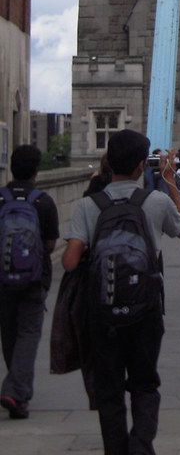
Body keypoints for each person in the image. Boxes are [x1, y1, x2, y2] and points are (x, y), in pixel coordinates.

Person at [61, 129, 180, 454]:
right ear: (139, 166)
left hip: (102, 313)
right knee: (145, 385)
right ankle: (141, 446)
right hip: (147, 310)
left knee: (110, 391)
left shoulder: (90, 205)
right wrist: (170, 181)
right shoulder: (155, 200)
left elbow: (69, 261)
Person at [0, 144, 59, 420]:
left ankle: (18, 395)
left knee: (9, 332)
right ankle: (14, 390)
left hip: (2, 278)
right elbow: (49, 244)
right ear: (37, 170)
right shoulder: (43, 201)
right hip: (34, 279)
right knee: (28, 334)